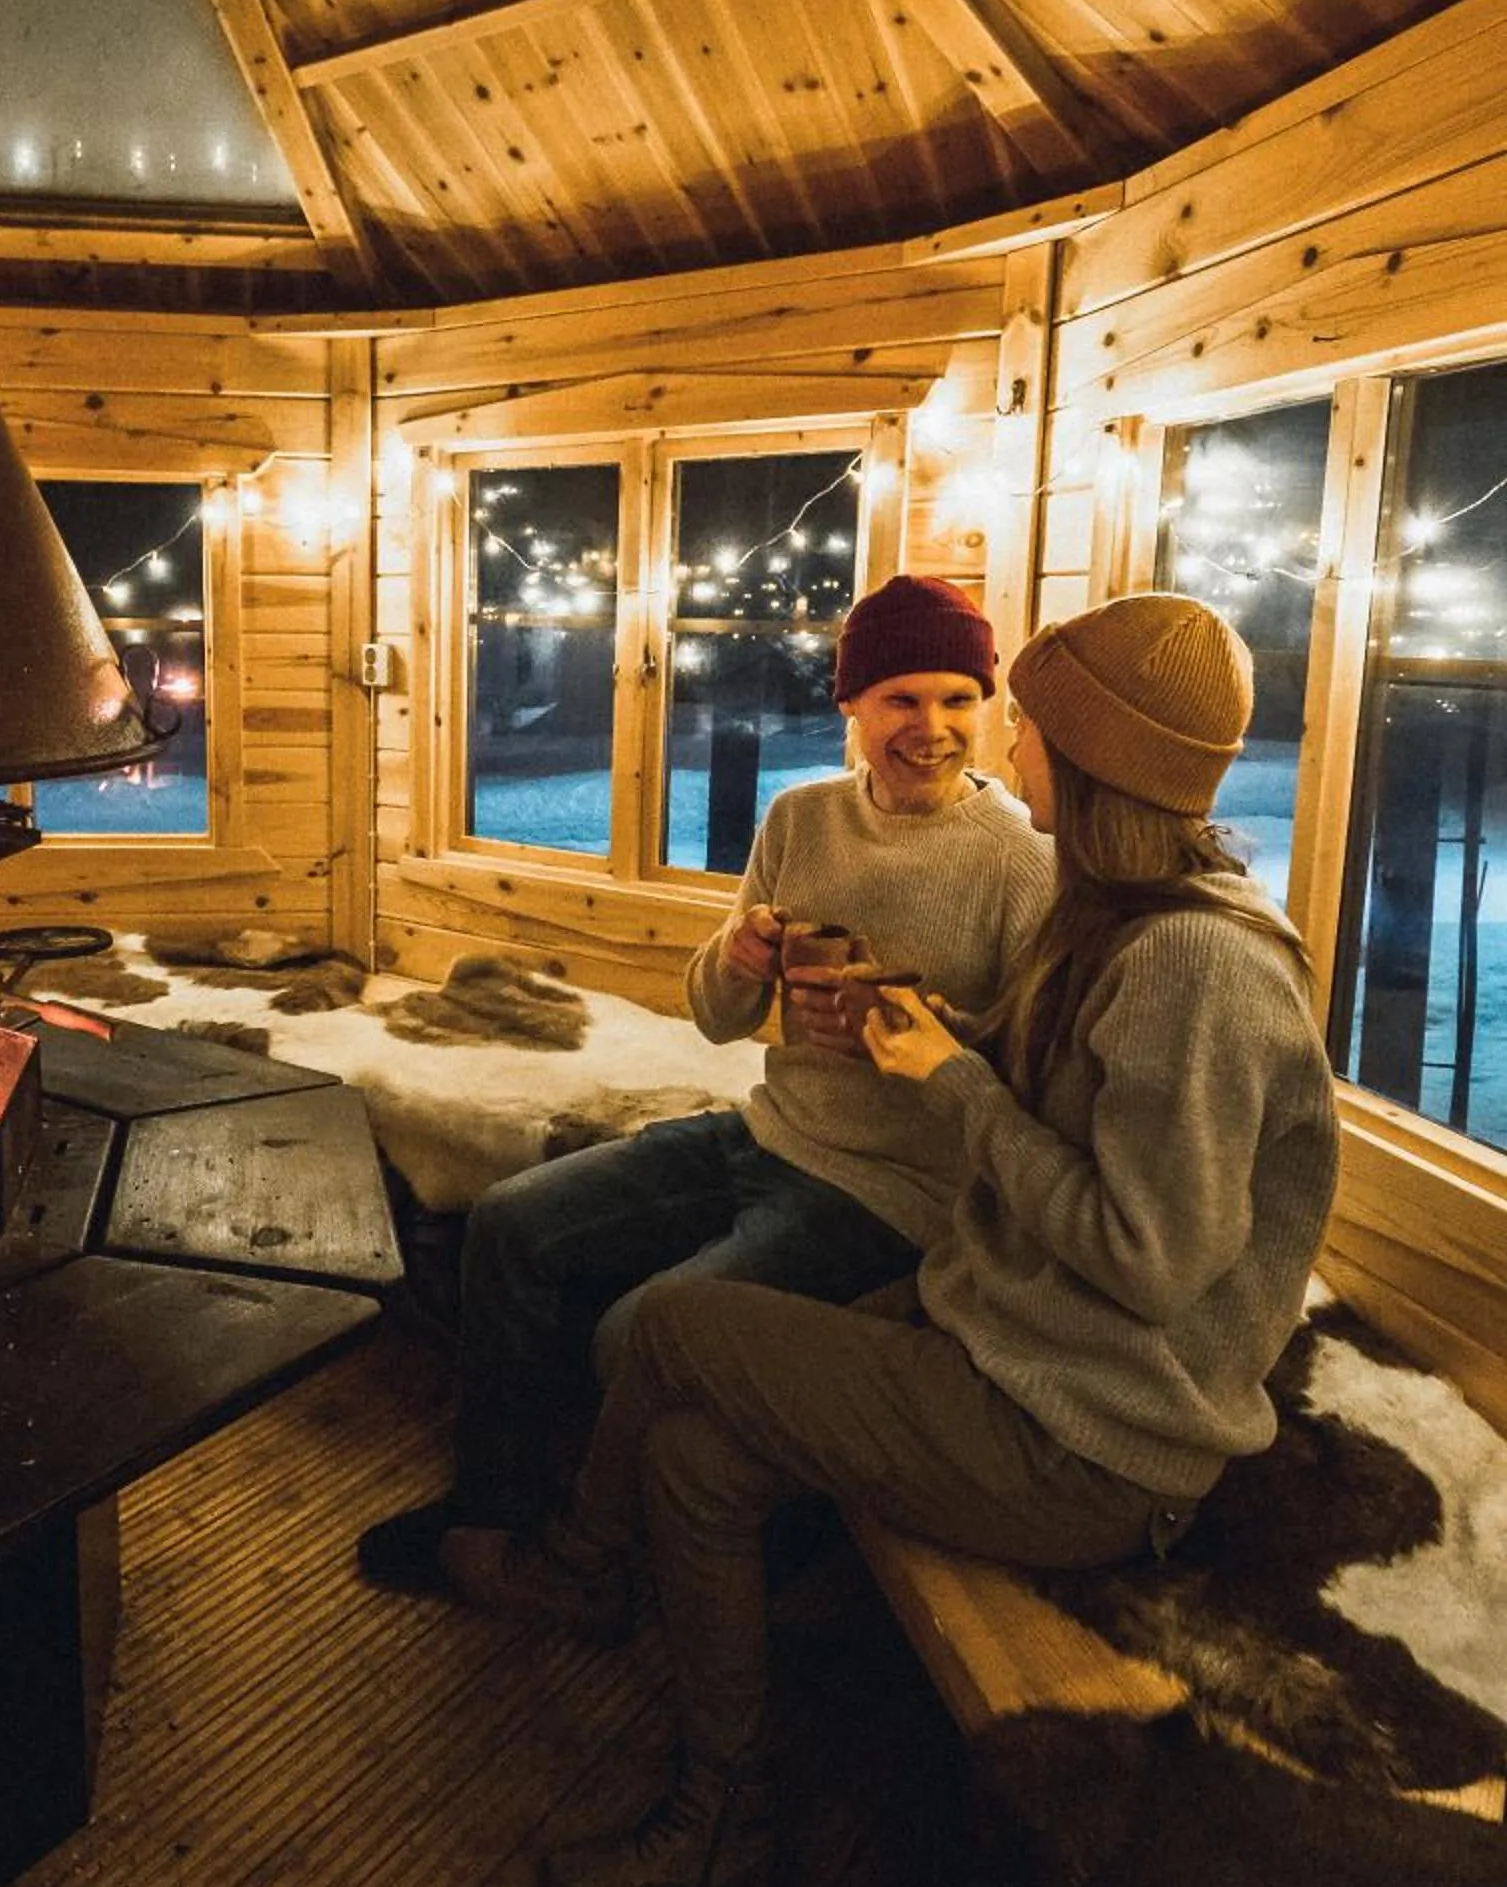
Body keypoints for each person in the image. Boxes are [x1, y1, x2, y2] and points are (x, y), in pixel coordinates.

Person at [509, 591, 1341, 1887]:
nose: (990, 745)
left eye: (1013, 721)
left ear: (1091, 759)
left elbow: (1154, 1262)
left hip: (1087, 1435)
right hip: (1006, 1337)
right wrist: (932, 1022)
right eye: (943, 703)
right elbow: (1045, 1098)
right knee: (690, 1457)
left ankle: (577, 1570)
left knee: (665, 1331)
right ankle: (723, 1809)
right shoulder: (1116, 915)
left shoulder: (1195, 964)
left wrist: (947, 1075)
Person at [355, 573, 1055, 1607]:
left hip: (890, 1194)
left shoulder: (1017, 864)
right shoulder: (799, 817)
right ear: (851, 704)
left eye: (958, 698)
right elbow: (717, 1018)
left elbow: (1032, 1082)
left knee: (635, 1329)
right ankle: (494, 1510)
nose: (933, 727)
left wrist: (925, 1033)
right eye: (902, 699)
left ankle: (600, 1556)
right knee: (508, 1222)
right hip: (763, 1134)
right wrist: (740, 954)